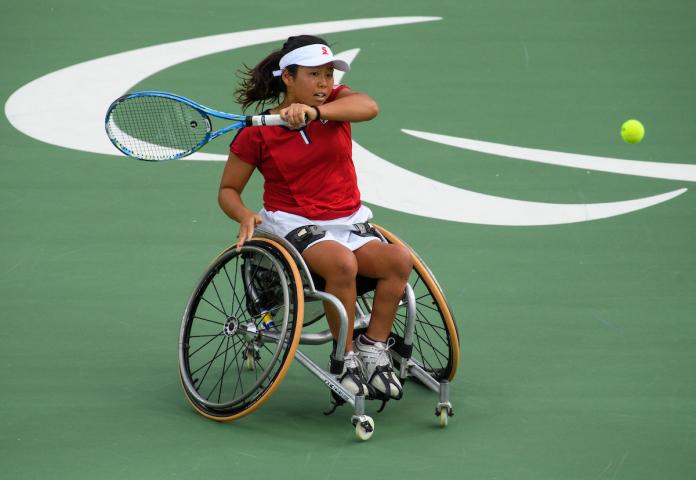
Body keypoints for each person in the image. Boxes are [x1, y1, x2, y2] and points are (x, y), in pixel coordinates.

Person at [218, 35, 411, 401]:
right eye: (314, 75)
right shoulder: (257, 132)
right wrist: (243, 215)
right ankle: (345, 358)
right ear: (287, 77)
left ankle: (373, 348)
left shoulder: (335, 104)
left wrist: (316, 113)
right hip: (291, 224)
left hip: (349, 220)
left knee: (398, 260)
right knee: (340, 265)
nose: (325, 83)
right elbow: (228, 190)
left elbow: (369, 106)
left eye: (328, 74)